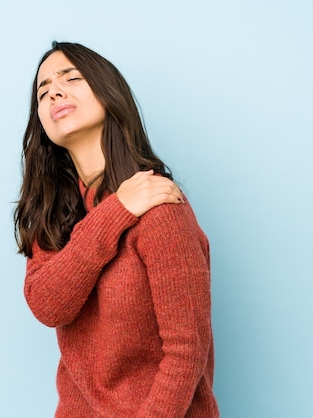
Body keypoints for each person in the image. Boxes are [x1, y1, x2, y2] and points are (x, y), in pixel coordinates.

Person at [13, 41, 219, 417]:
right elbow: (48, 306)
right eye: (43, 92)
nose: (54, 91)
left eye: (71, 78)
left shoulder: (160, 206)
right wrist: (117, 211)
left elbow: (187, 350)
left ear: (108, 93)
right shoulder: (53, 214)